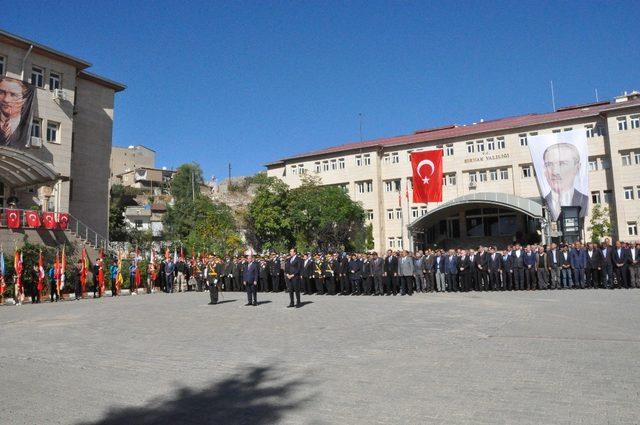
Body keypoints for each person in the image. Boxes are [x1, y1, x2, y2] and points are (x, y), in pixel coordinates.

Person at [542, 143, 589, 221]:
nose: (555, 172)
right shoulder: (543, 202)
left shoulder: (585, 200)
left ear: (577, 168)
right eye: (549, 165)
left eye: (562, 164)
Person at [0, 76, 32, 147]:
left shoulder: (27, 128)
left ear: (23, 101)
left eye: (13, 95)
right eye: (2, 92)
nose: (6, 99)